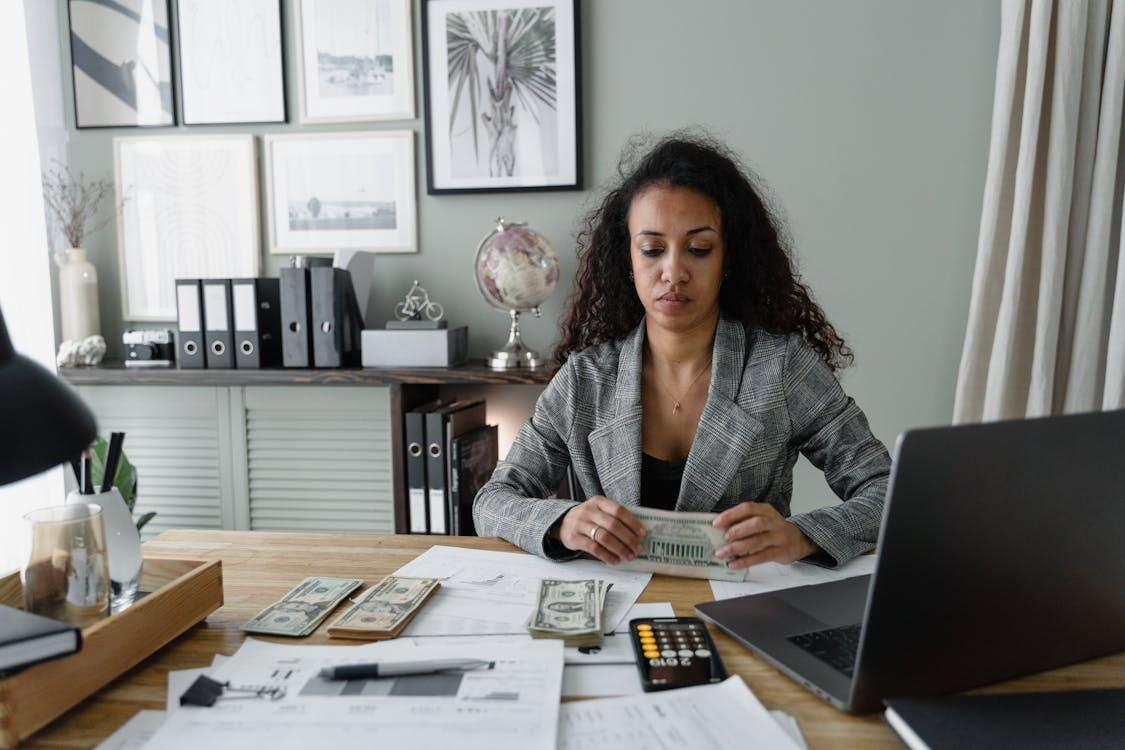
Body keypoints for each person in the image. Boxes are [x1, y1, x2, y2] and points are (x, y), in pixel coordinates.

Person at [472, 134, 891, 571]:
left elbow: (887, 489)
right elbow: (493, 501)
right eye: (652, 250)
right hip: (613, 615)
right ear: (628, 261)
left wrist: (801, 536)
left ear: (728, 258)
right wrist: (563, 521)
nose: (673, 272)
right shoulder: (585, 380)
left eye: (699, 249)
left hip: (743, 612)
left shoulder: (781, 367)